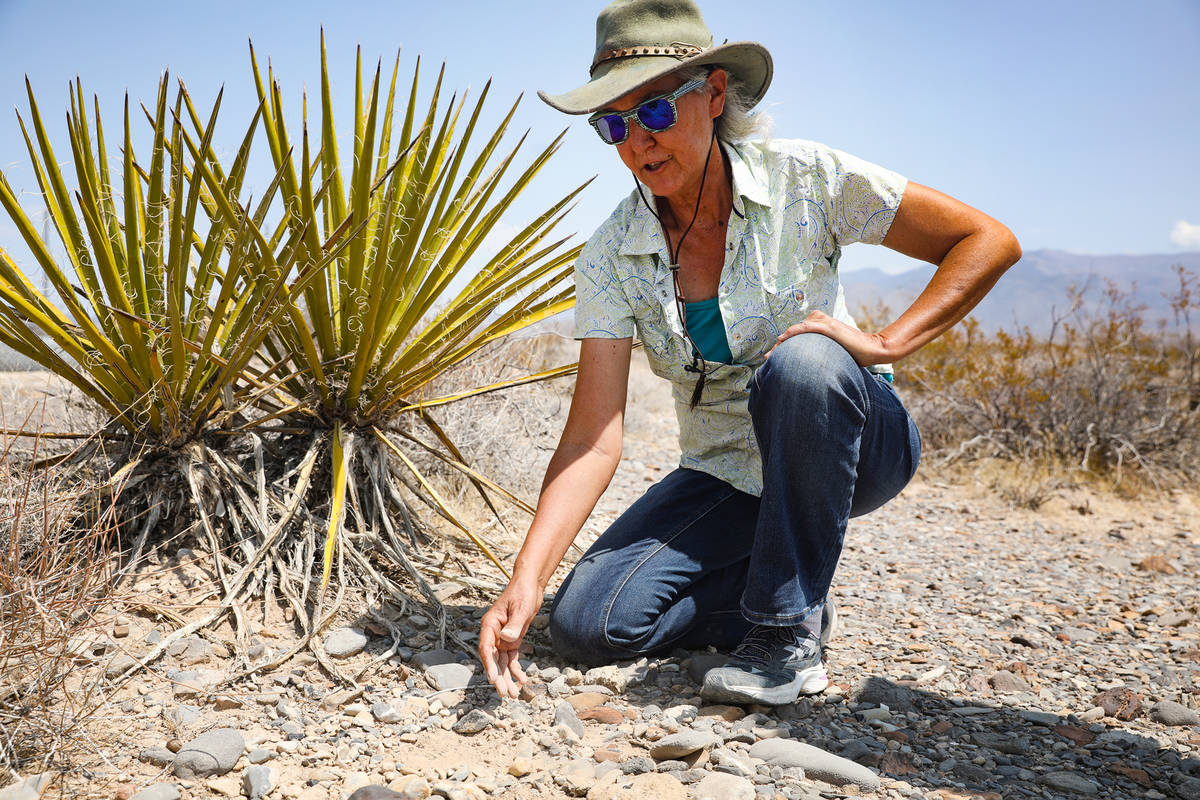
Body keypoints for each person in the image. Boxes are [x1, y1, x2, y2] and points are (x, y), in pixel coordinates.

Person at [478, 0, 1020, 706]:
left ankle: (785, 638)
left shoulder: (807, 179)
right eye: (613, 124)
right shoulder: (611, 255)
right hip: (728, 469)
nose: (637, 141)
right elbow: (591, 438)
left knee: (805, 361)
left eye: (655, 112)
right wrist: (526, 578)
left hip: (853, 442)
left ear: (712, 94)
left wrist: (886, 343)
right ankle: (790, 588)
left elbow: (986, 240)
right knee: (588, 627)